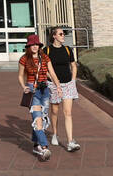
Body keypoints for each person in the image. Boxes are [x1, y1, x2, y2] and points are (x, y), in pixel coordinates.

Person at [17, 33, 52, 162]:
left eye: (37, 44)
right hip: (33, 89)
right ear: (28, 46)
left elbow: (51, 73)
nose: (35, 46)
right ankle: (44, 147)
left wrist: (58, 86)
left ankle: (36, 145)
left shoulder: (45, 58)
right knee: (37, 119)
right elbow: (20, 75)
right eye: (32, 44)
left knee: (42, 120)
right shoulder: (24, 59)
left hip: (45, 90)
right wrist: (23, 86)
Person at [46, 26, 82, 152]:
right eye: (61, 34)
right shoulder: (47, 50)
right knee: (55, 111)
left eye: (63, 34)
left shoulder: (67, 49)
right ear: (54, 36)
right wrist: (53, 81)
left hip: (67, 84)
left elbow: (73, 65)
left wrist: (73, 80)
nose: (63, 36)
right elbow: (45, 69)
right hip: (53, 85)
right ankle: (55, 133)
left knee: (68, 113)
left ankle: (70, 142)